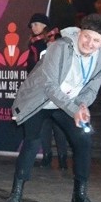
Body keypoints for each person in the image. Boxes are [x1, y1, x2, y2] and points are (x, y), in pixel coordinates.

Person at [4, 14, 101, 202]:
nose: (90, 43)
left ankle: (79, 197)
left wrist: (82, 106)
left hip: (67, 104)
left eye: (96, 40)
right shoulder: (59, 47)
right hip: (39, 100)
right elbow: (49, 86)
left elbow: (91, 90)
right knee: (32, 141)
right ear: (80, 33)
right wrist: (74, 110)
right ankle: (16, 193)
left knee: (84, 139)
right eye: (87, 37)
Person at [26, 13, 68, 171]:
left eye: (37, 24)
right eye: (32, 25)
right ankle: (47, 156)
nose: (34, 27)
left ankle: (63, 157)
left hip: (54, 86)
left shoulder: (53, 40)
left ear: (45, 26)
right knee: (43, 124)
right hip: (38, 87)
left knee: (58, 123)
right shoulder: (33, 43)